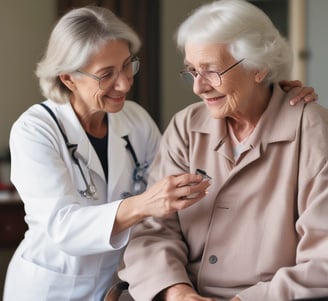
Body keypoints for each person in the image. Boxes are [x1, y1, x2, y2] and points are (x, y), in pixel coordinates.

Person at [118, 1, 328, 300]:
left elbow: (323, 259)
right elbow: (153, 229)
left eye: (211, 71)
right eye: (192, 71)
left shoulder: (314, 131)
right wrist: (177, 293)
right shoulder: (186, 127)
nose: (198, 87)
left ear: (258, 67)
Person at [3, 6, 211, 301]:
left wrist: (270, 96)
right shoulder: (35, 130)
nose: (125, 83)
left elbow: (166, 193)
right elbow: (63, 226)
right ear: (68, 78)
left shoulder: (136, 119)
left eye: (128, 65)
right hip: (52, 288)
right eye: (106, 74)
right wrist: (143, 204)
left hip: (116, 287)